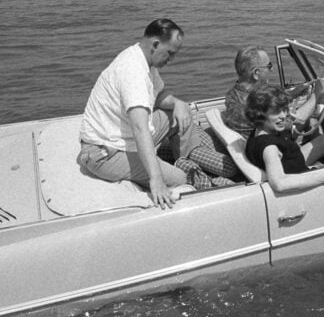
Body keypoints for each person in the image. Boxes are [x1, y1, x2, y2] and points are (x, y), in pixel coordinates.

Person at [78, 18, 232, 209]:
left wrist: (178, 103)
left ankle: (188, 160)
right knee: (178, 178)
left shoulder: (145, 60)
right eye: (170, 53)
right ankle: (184, 174)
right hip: (105, 153)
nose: (172, 59)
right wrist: (156, 179)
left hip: (122, 136)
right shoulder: (133, 71)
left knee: (179, 115)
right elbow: (140, 128)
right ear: (156, 44)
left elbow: (157, 96)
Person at [244, 85, 324, 195]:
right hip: (302, 180)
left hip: (295, 166)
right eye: (276, 112)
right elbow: (279, 183)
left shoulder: (258, 131)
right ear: (260, 114)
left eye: (284, 109)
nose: (283, 115)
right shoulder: (270, 148)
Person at [223, 45, 324, 139]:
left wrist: (293, 93)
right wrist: (317, 94)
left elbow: (268, 100)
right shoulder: (254, 109)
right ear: (256, 73)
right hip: (276, 147)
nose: (271, 69)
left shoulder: (232, 95)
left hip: (259, 142)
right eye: (269, 66)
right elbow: (297, 122)